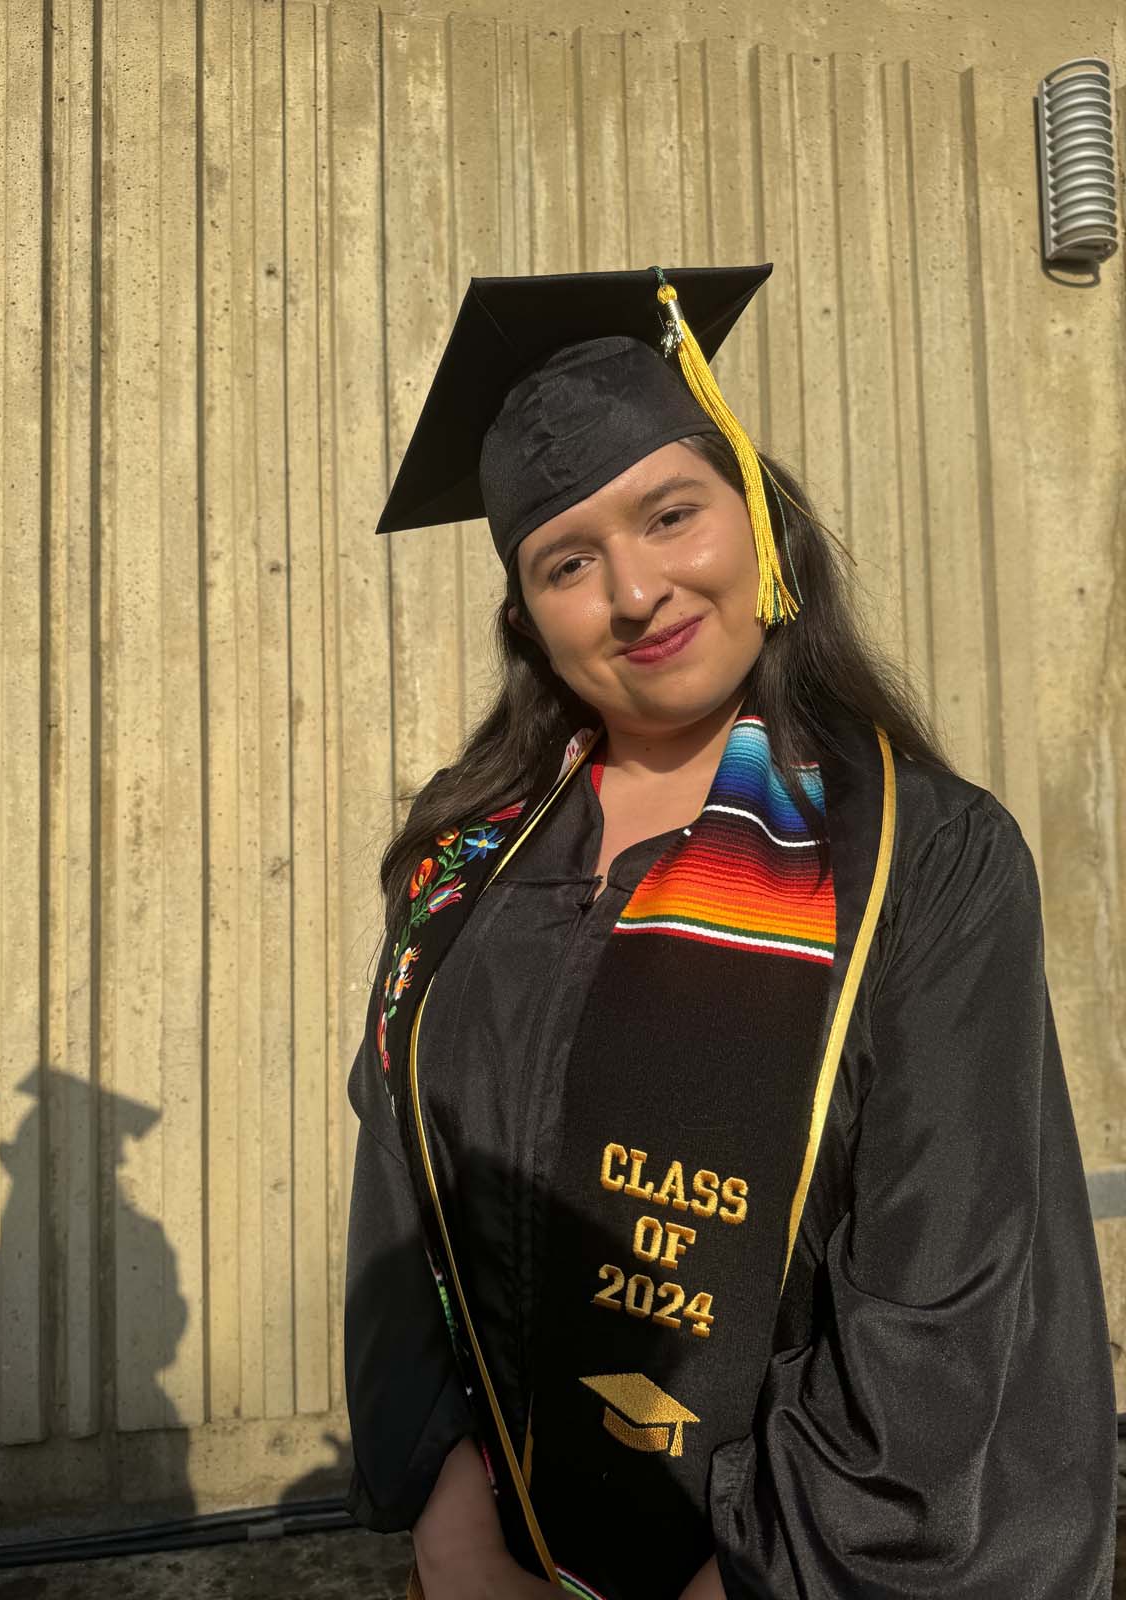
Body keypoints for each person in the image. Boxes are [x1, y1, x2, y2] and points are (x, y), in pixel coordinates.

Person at [343, 265, 1116, 1599]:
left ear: (759, 518)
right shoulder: (465, 868)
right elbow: (409, 1211)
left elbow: (942, 1312)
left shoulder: (919, 859)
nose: (635, 592)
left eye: (670, 514)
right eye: (568, 563)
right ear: (527, 615)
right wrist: (452, 1515)